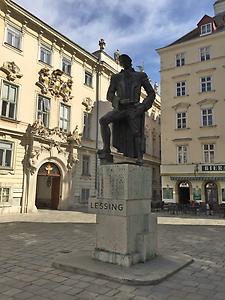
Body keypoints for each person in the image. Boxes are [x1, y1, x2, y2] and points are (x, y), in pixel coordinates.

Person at [98, 54, 155, 164]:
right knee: (103, 120)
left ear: (130, 62)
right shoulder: (116, 77)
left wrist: (142, 106)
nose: (123, 63)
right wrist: (118, 101)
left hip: (134, 108)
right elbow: (109, 94)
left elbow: (151, 93)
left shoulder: (140, 75)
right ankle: (106, 147)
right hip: (121, 108)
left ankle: (139, 157)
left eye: (124, 61)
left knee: (136, 133)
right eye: (121, 61)